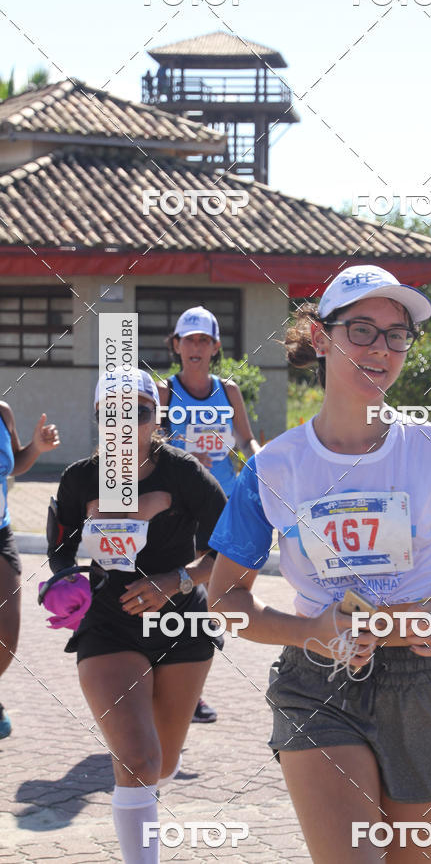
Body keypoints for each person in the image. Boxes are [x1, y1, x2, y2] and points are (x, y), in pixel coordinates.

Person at [208, 264, 431, 863]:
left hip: (423, 688)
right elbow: (225, 601)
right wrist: (311, 632)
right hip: (318, 684)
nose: (382, 348)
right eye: (362, 330)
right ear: (320, 337)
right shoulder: (272, 468)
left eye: (397, 335)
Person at [41, 368, 226, 864]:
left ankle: (151, 786)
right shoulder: (80, 477)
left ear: (156, 417)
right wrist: (66, 582)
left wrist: (175, 582)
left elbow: (232, 551)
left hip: (180, 625)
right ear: (100, 419)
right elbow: (59, 550)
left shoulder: (185, 474)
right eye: (113, 413)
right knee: (139, 759)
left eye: (139, 413)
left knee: (159, 763)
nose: (126, 424)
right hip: (109, 624)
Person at [158, 305, 260, 723]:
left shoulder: (228, 390)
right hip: (178, 509)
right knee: (184, 595)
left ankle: (191, 690)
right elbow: (147, 446)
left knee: (210, 598)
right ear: (177, 345)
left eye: (204, 340)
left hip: (223, 507)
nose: (196, 347)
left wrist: (264, 465)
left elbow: (248, 442)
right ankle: (173, 686)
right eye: (189, 339)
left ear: (216, 347)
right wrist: (183, 454)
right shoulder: (164, 392)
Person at [0, 403, 59, 738]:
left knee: (7, 632)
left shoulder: (4, 411)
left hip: (0, 532)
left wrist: (36, 447)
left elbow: (14, 463)